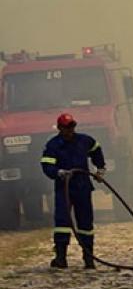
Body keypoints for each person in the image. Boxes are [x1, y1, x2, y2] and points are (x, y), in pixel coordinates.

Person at [40, 113, 106, 269]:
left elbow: (96, 150)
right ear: (60, 128)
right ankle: (61, 258)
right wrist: (58, 173)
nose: (70, 130)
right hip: (64, 187)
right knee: (62, 222)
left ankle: (88, 258)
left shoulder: (84, 140)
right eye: (66, 127)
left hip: (82, 186)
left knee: (85, 223)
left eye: (72, 126)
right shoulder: (53, 145)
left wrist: (100, 168)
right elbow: (47, 165)